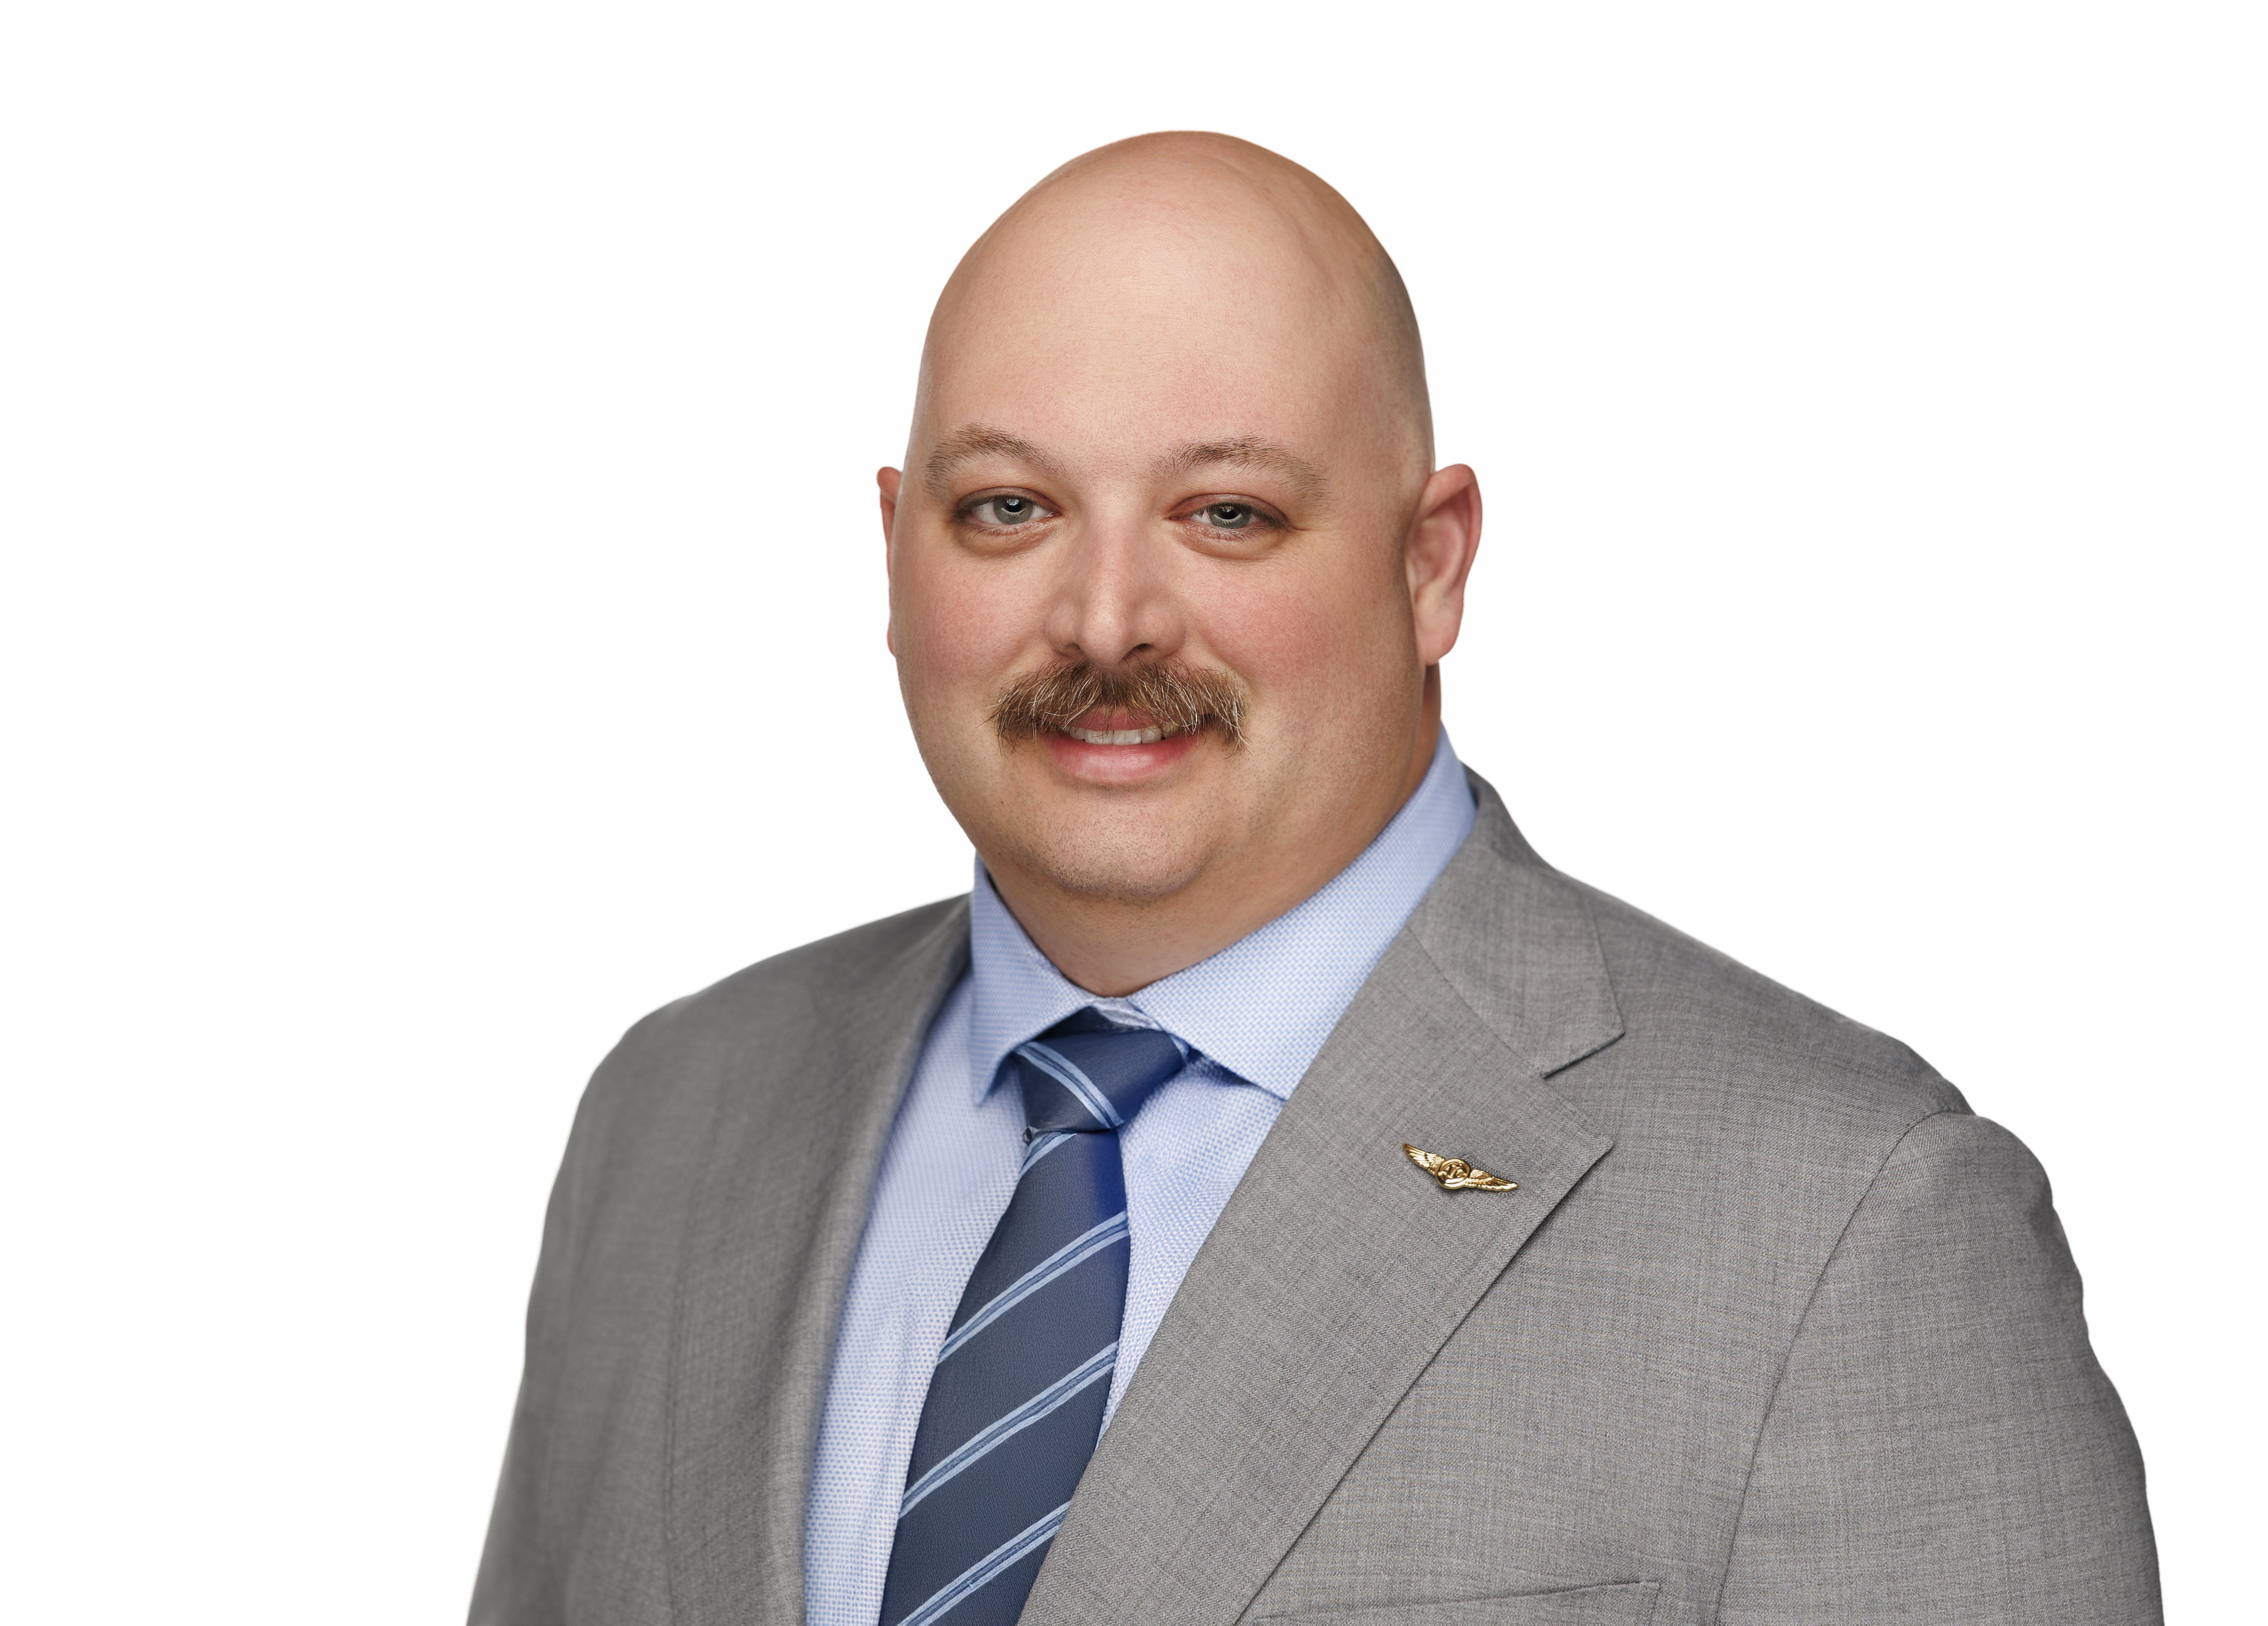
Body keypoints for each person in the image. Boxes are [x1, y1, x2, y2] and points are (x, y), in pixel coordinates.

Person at [471, 132, 2159, 1626]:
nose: (1109, 620)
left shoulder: (1847, 1225)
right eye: (1009, 508)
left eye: (1227, 515)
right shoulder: (672, 1123)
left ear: (1432, 566)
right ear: (897, 550)